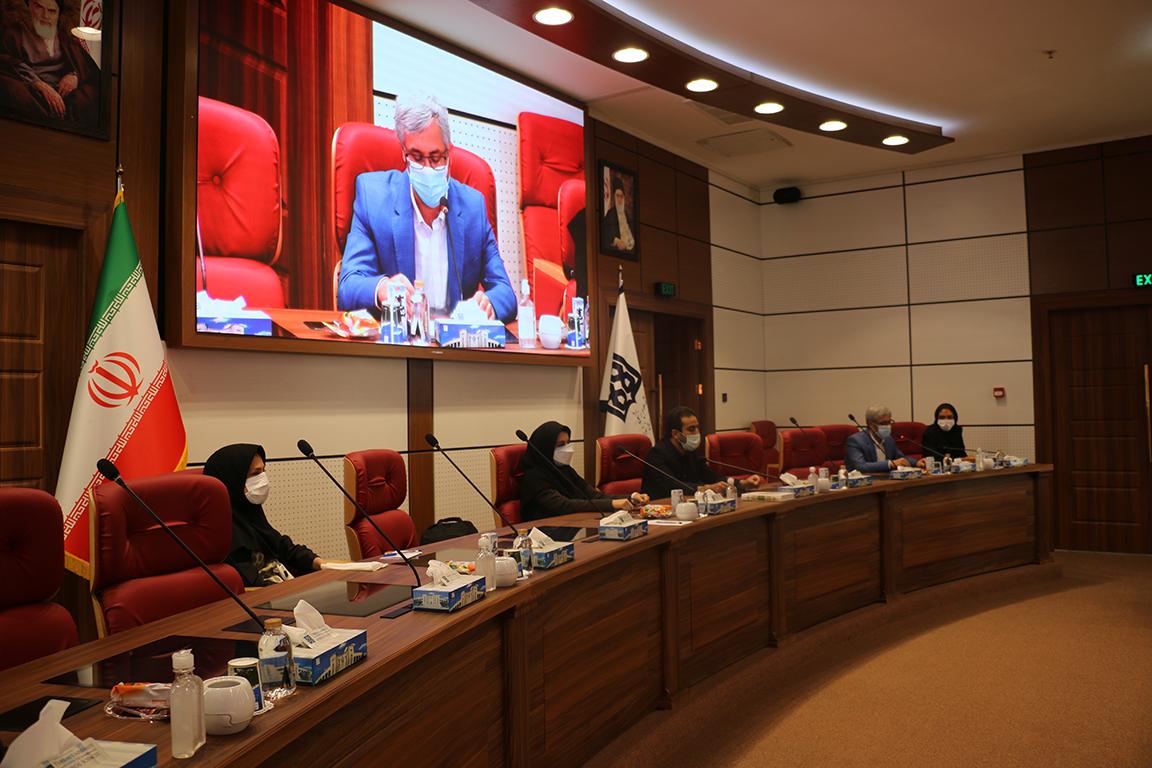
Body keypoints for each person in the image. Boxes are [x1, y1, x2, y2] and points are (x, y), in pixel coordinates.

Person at [337, 91, 515, 323]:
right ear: (403, 153)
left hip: (454, 339)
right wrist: (382, 288)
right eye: (417, 157)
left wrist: (490, 303)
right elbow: (349, 285)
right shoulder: (373, 197)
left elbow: (505, 292)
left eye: (436, 157)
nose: (428, 168)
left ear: (449, 151)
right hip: (399, 339)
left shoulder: (473, 207)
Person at [203, 443, 323, 587]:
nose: (263, 480)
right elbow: (251, 583)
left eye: (263, 471)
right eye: (255, 473)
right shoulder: (223, 535)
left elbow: (283, 548)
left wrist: (321, 563)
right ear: (233, 479)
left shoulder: (250, 513)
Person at [0, 0, 100, 129]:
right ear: (29, 7)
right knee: (11, 88)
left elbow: (85, 66)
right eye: (39, 7)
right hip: (31, 90)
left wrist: (74, 76)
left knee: (89, 94)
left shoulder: (66, 38)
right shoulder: (14, 35)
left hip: (64, 93)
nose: (45, 16)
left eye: (52, 11)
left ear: (58, 15)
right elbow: (8, 62)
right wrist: (40, 85)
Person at [520, 421, 648, 521]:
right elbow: (564, 505)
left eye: (567, 443)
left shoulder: (564, 469)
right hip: (544, 532)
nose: (567, 448)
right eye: (560, 445)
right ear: (545, 448)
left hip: (573, 524)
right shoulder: (534, 476)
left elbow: (593, 495)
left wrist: (631, 497)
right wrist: (612, 504)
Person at [641, 406, 762, 499]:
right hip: (659, 508)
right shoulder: (657, 455)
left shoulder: (691, 452)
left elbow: (713, 477)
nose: (697, 433)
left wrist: (742, 483)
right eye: (691, 429)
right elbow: (673, 486)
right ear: (676, 434)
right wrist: (705, 488)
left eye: (697, 427)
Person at [844, 405, 924, 472]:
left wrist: (916, 463)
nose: (887, 426)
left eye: (889, 422)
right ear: (870, 424)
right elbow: (860, 466)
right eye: (883, 423)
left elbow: (901, 458)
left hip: (886, 481)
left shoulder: (888, 439)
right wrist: (890, 464)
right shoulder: (855, 441)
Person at [601, 176, 635, 254]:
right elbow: (605, 233)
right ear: (614, 197)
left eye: (621, 196)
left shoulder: (628, 216)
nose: (619, 199)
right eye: (617, 196)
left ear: (624, 197)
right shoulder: (610, 214)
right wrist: (616, 241)